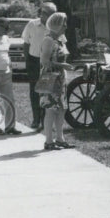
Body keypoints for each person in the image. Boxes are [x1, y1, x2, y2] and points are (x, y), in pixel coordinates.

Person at [39, 12, 78, 150]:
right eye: (63, 24)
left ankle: (60, 138)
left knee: (61, 109)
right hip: (49, 78)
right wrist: (63, 66)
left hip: (60, 78)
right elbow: (44, 61)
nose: (65, 27)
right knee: (50, 110)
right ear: (56, 25)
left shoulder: (60, 40)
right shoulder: (48, 40)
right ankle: (48, 141)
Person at [21, 2, 57, 131]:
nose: (52, 17)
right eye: (49, 14)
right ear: (43, 14)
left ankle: (45, 120)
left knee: (47, 92)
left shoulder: (55, 27)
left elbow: (62, 42)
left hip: (48, 62)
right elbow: (26, 43)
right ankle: (36, 119)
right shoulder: (32, 24)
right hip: (34, 61)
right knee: (35, 91)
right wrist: (28, 60)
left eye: (53, 14)